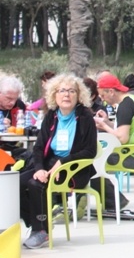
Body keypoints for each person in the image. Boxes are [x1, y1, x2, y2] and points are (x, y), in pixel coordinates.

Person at [18, 74, 98, 249]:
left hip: (74, 168)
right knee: (14, 184)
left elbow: (90, 151)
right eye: (62, 91)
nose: (66, 95)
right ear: (54, 95)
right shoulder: (52, 116)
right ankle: (39, 223)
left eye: (71, 91)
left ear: (79, 95)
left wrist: (63, 162)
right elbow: (38, 148)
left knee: (35, 184)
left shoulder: (85, 117)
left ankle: (41, 230)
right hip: (49, 164)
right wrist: (39, 168)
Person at [92, 71, 134, 210]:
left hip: (133, 156)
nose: (103, 100)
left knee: (90, 162)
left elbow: (122, 138)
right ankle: (114, 200)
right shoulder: (133, 100)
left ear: (111, 91)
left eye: (103, 95)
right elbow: (126, 128)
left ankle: (113, 200)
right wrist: (107, 122)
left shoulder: (125, 106)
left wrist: (104, 126)